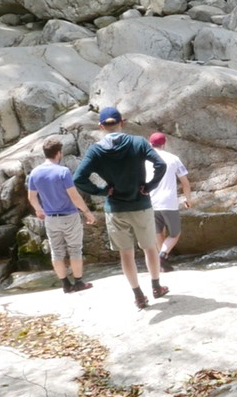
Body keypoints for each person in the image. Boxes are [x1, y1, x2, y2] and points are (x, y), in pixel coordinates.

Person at [73, 105, 168, 310]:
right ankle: (156, 287)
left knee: (126, 254)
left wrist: (101, 190)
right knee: (150, 248)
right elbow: (161, 165)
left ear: (100, 126)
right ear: (122, 122)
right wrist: (149, 187)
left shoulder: (96, 151)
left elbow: (78, 178)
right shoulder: (138, 142)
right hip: (141, 205)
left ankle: (139, 296)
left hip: (115, 209)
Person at [25, 137, 96, 294]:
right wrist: (86, 212)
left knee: (56, 251)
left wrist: (39, 210)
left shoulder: (35, 173)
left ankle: (65, 285)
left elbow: (31, 197)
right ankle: (78, 283)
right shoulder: (63, 171)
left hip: (50, 218)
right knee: (75, 249)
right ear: (58, 153)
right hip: (69, 216)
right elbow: (74, 196)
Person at [146, 131, 191, 269]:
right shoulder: (173, 158)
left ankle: (163, 265)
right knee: (175, 233)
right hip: (169, 202)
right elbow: (185, 182)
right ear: (164, 144)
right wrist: (187, 199)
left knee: (157, 233)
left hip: (150, 202)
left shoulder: (144, 160)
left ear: (150, 143)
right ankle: (163, 255)